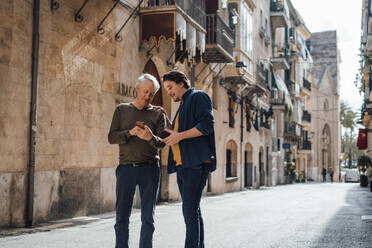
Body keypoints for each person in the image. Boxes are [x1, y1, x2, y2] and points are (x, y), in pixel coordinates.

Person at [108, 73, 166, 248]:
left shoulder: (158, 115)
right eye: (145, 92)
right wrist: (129, 133)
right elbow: (111, 137)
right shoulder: (121, 110)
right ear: (137, 89)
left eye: (152, 94)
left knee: (148, 218)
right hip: (126, 169)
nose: (148, 96)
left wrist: (150, 137)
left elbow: (162, 143)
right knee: (122, 218)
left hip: (150, 169)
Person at [162, 70, 217, 248]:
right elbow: (179, 131)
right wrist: (166, 118)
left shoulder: (198, 96)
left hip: (196, 164)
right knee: (192, 211)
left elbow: (207, 125)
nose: (169, 92)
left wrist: (179, 136)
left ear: (181, 83)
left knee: (189, 211)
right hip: (183, 165)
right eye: (166, 89)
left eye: (170, 87)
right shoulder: (183, 105)